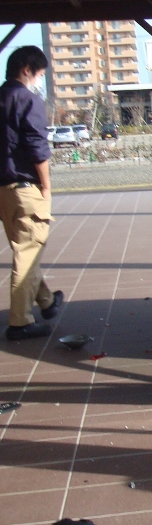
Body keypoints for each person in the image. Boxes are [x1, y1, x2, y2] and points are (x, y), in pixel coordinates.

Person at [0, 46, 63, 340]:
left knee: (25, 247)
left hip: (3, 191)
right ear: (27, 69)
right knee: (28, 253)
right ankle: (20, 323)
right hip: (25, 188)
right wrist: (47, 187)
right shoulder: (27, 100)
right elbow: (38, 148)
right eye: (39, 75)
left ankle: (47, 301)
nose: (39, 80)